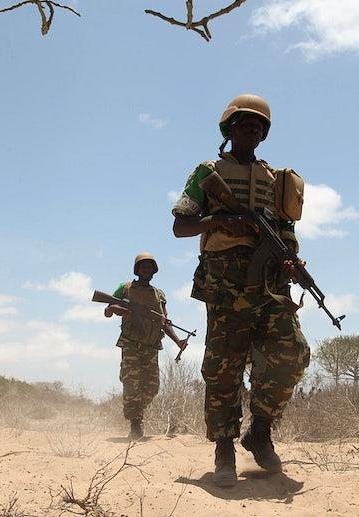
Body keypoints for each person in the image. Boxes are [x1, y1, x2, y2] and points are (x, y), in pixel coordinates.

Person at [171, 94, 310, 487]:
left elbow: (286, 230)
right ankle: (224, 450)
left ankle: (259, 431)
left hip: (269, 280)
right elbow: (181, 226)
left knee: (292, 352)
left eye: (259, 124)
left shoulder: (276, 179)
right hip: (225, 280)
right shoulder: (207, 172)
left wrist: (291, 260)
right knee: (223, 367)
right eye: (244, 122)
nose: (253, 128)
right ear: (228, 128)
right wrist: (223, 219)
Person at [104, 252, 188, 439]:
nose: (146, 269)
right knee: (132, 383)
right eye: (143, 266)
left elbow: (164, 322)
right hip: (131, 344)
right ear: (137, 269)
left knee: (152, 387)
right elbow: (107, 310)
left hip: (151, 346)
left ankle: (136, 412)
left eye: (150, 267)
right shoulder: (124, 288)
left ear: (154, 271)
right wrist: (115, 309)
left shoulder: (159, 295)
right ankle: (135, 423)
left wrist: (178, 341)